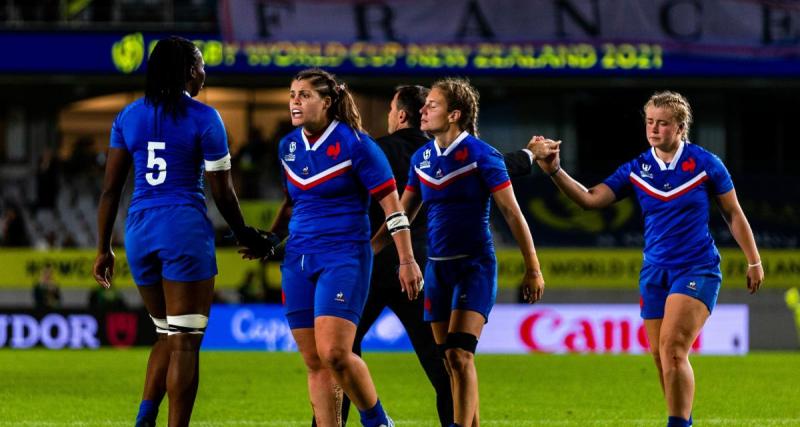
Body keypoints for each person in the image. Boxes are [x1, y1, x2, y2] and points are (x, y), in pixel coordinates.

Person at [324, 85, 557, 427]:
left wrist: (533, 268)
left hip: (464, 267)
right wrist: (367, 251)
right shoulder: (423, 158)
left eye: (432, 105)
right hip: (432, 270)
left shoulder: (477, 154)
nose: (423, 111)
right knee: (447, 361)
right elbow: (400, 215)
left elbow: (511, 211)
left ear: (454, 114)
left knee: (457, 356)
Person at [535, 91, 763, 427]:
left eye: (663, 123)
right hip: (655, 271)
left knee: (673, 350)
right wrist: (555, 171)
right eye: (650, 122)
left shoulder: (705, 164)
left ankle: (677, 424)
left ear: (681, 127)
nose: (654, 129)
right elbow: (589, 199)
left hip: (697, 267)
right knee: (660, 358)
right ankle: (683, 419)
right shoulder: (637, 169)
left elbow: (733, 213)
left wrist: (753, 260)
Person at [92, 36, 276, 427]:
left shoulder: (128, 116)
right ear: (192, 70)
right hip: (183, 229)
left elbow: (110, 190)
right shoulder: (205, 118)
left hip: (138, 230)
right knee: (186, 345)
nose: (205, 71)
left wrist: (103, 249)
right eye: (202, 64)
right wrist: (246, 234)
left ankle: (145, 417)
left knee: (165, 335)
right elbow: (223, 193)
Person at [251, 68, 423, 427]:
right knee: (315, 361)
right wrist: (271, 237)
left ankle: (377, 421)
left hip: (344, 256)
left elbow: (395, 209)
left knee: (335, 354)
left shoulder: (357, 145)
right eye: (292, 94)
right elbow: (292, 201)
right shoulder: (288, 146)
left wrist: (406, 260)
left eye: (305, 95)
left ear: (327, 102)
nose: (295, 101)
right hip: (298, 258)